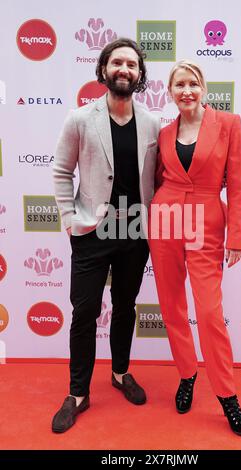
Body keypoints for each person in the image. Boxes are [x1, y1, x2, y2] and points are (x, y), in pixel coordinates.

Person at [52, 38, 160, 433]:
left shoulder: (152, 122)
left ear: (140, 75)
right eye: (117, 62)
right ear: (104, 70)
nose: (125, 69)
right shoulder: (79, 119)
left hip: (135, 232)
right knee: (84, 312)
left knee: (126, 305)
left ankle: (120, 372)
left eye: (132, 64)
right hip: (92, 232)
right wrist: (68, 219)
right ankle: (77, 393)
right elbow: (62, 172)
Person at [148, 60, 241, 436]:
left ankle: (227, 394)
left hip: (207, 220)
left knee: (208, 312)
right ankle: (187, 374)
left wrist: (237, 236)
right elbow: (158, 178)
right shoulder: (164, 132)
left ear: (202, 87)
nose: (186, 91)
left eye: (192, 84)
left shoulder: (228, 124)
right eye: (178, 85)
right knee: (172, 306)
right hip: (165, 220)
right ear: (170, 92)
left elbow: (236, 182)